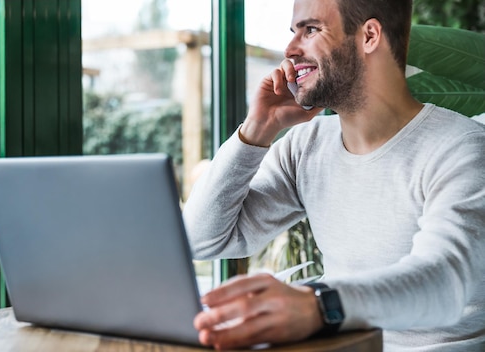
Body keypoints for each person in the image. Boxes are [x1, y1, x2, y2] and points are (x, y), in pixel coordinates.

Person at [182, 0, 485, 350]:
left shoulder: (462, 148)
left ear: (369, 35)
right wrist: (257, 129)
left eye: (310, 30)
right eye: (293, 32)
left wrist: (320, 304)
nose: (291, 49)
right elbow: (203, 238)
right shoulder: (305, 146)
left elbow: (443, 280)